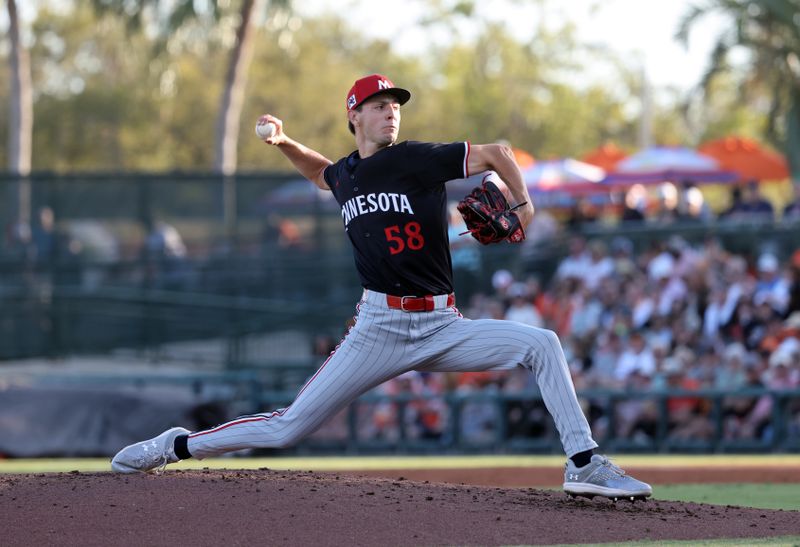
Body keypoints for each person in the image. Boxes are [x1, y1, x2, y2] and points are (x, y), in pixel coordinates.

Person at [111, 73, 651, 500]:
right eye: (377, 104)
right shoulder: (347, 175)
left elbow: (499, 153)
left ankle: (585, 463)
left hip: (443, 324)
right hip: (378, 328)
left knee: (543, 344)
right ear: (355, 116)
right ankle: (173, 446)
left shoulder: (415, 158)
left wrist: (524, 205)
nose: (390, 109)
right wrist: (283, 141)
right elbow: (321, 173)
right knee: (286, 428)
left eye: (394, 103)